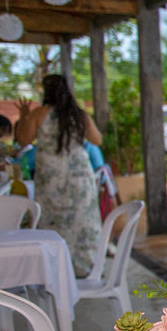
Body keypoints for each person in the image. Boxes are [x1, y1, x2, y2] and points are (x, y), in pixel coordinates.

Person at [14, 75, 103, 276]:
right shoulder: (79, 115)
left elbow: (23, 140)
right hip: (79, 176)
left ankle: (56, 269)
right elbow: (97, 140)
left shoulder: (39, 114)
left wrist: (24, 116)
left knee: (53, 220)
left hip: (51, 177)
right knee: (83, 219)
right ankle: (85, 266)